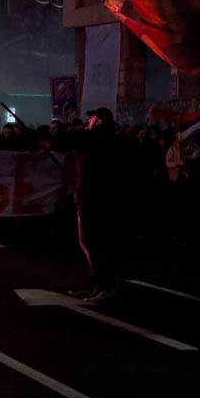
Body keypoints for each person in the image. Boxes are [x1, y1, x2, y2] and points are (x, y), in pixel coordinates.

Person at [71, 108, 122, 302]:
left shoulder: (99, 139)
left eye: (92, 117)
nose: (89, 120)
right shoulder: (104, 139)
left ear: (99, 121)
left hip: (96, 197)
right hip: (93, 195)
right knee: (89, 240)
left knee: (95, 240)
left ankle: (104, 285)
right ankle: (95, 283)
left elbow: (74, 140)